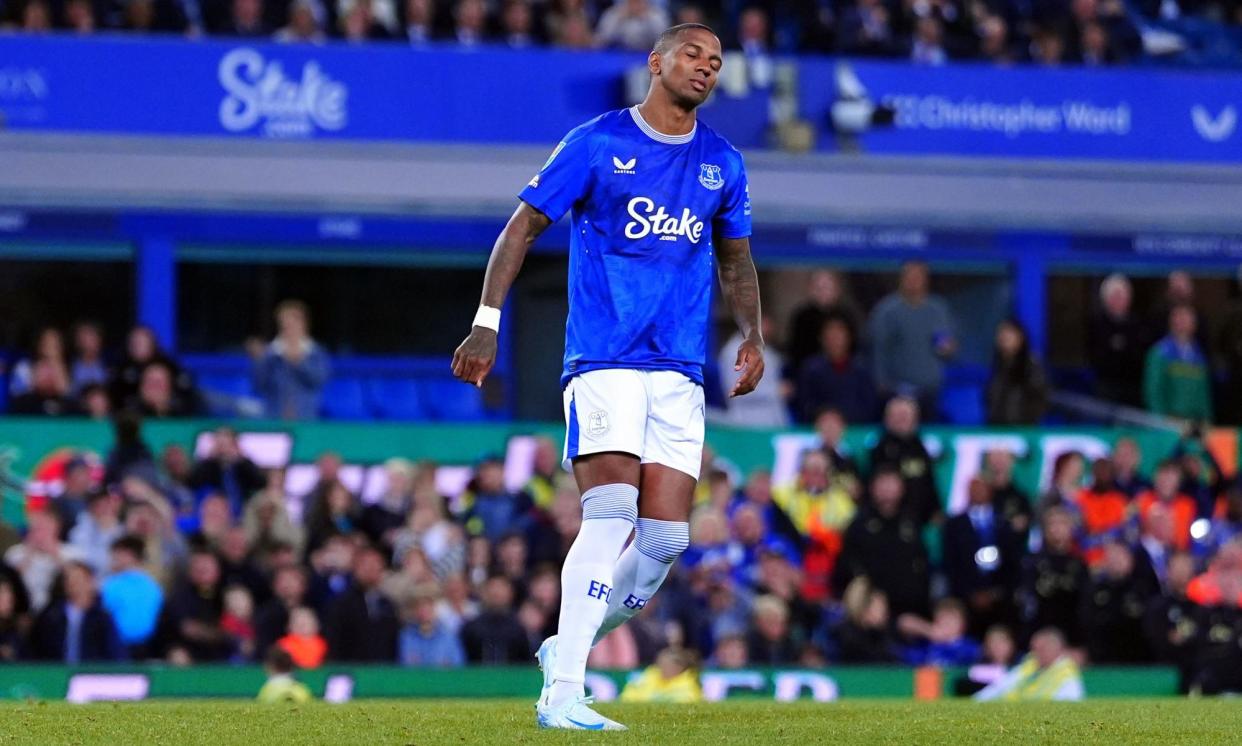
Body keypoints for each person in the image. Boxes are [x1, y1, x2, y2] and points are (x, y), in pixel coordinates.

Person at [451, 22, 763, 732]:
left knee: (663, 543)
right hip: (605, 357)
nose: (705, 68)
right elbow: (521, 227)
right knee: (610, 514)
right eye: (692, 54)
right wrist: (487, 322)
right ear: (656, 62)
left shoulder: (724, 162)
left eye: (716, 62)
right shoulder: (596, 142)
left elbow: (736, 258)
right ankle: (564, 692)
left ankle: (567, 646)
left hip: (680, 370)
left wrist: (753, 335)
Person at [869, 261, 957, 420]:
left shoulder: (938, 309)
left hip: (930, 390)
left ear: (926, 280)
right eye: (909, 276)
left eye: (918, 277)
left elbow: (947, 347)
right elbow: (878, 349)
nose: (914, 281)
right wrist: (881, 382)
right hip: (895, 391)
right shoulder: (887, 310)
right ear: (901, 279)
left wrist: (948, 347)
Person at [26, 561, 123, 662]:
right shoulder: (51, 615)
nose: (73, 583)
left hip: (91, 674)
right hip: (55, 673)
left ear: (90, 582)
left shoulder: (102, 617)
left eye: (79, 579)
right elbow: (38, 650)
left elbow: (115, 652)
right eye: (69, 579)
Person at [251, 300, 331, 421]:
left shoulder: (316, 352)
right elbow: (259, 385)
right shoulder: (270, 354)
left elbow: (319, 380)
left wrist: (299, 361)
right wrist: (260, 360)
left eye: (293, 324)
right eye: (285, 324)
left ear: (303, 323)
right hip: (274, 417)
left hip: (307, 418)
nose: (288, 328)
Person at [870, 396, 940, 526]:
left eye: (906, 415)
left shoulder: (920, 446)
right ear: (887, 419)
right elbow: (876, 485)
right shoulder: (880, 448)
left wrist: (935, 508)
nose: (902, 420)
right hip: (892, 517)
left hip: (921, 516)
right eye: (897, 416)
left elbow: (929, 479)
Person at [795, 313, 877, 424]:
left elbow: (869, 406)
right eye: (830, 334)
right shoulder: (810, 370)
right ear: (821, 338)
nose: (834, 339)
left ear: (849, 337)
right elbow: (805, 404)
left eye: (839, 334)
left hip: (856, 430)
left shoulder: (862, 370)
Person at [323, 546, 399, 662]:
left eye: (376, 564)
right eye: (366, 564)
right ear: (355, 568)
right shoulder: (342, 603)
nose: (371, 568)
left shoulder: (387, 604)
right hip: (351, 671)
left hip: (382, 672)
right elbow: (334, 641)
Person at [786, 269, 864, 379]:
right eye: (818, 288)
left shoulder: (846, 316)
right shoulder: (802, 318)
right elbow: (794, 352)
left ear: (837, 289)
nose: (823, 292)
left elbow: (855, 349)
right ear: (809, 289)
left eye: (827, 288)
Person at [1088, 274, 1148, 408]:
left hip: (1132, 387)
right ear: (1106, 299)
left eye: (1122, 296)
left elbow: (1138, 353)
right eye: (1115, 296)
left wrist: (1119, 347)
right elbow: (1097, 355)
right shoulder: (1098, 324)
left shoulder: (1137, 325)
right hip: (1107, 386)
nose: (1119, 300)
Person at [974, 627, 1084, 701]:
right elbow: (1002, 685)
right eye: (1034, 649)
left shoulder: (1065, 672)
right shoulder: (1031, 664)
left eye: (1040, 649)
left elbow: (1071, 702)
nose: (1035, 654)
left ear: (1054, 649)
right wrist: (976, 700)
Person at [1144, 304, 1212, 422]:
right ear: (1171, 321)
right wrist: (1160, 420)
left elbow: (1204, 395)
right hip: (1170, 423)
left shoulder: (1199, 356)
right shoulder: (1160, 353)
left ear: (1194, 323)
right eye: (1178, 317)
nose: (1182, 322)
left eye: (1187, 317)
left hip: (1195, 424)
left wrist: (1207, 420)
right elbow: (1153, 392)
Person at [100, 535, 163, 655]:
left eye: (117, 554)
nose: (113, 558)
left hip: (136, 648)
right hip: (129, 647)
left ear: (129, 555)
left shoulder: (111, 585)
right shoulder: (153, 585)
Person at [985, 320, 1048, 425]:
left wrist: (1026, 421)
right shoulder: (998, 367)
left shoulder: (1031, 366)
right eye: (1001, 334)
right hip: (997, 430)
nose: (1003, 338)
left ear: (1020, 338)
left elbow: (1040, 399)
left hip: (1023, 430)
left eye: (1009, 334)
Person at [620, 647, 702, 702]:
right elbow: (628, 696)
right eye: (660, 664)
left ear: (679, 667)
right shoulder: (650, 675)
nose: (662, 669)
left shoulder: (688, 683)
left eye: (667, 665)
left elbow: (684, 701)